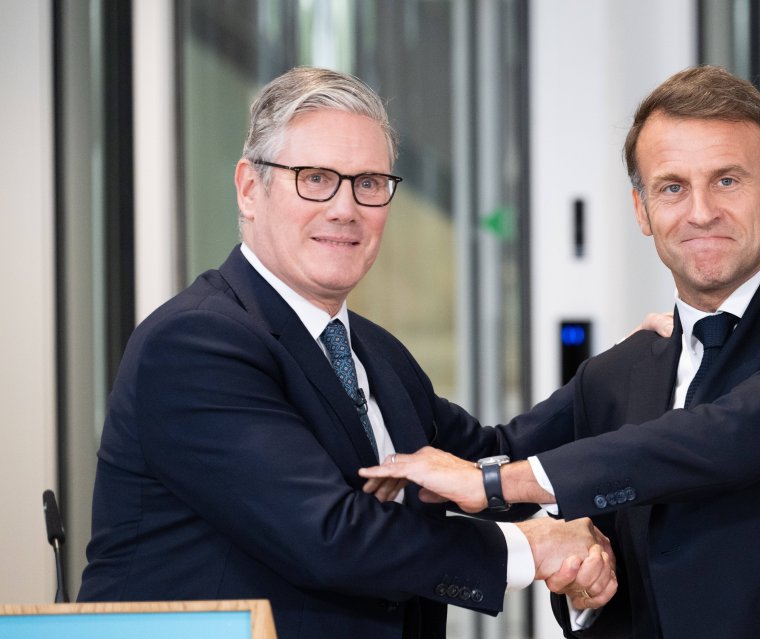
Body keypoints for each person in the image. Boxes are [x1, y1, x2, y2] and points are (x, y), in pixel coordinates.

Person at [361, 65, 760, 638]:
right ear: (642, 210)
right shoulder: (619, 374)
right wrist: (586, 586)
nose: (701, 211)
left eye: (727, 180)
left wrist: (494, 484)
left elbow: (733, 434)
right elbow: (496, 452)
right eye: (673, 187)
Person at [76, 66, 618, 639]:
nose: (345, 208)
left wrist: (635, 362)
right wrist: (531, 548)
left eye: (369, 183)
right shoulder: (195, 344)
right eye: (314, 178)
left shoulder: (373, 351)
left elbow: (490, 463)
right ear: (249, 189)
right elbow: (329, 535)